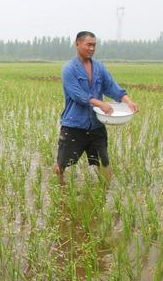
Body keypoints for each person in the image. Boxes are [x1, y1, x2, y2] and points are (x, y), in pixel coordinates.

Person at [53, 31, 138, 184]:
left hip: (96, 125)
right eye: (88, 44)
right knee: (62, 163)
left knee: (103, 162)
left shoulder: (98, 67)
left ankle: (105, 191)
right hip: (74, 124)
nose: (92, 48)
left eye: (94, 45)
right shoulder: (69, 69)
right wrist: (100, 103)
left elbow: (110, 86)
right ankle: (60, 189)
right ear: (77, 44)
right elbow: (77, 94)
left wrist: (127, 100)